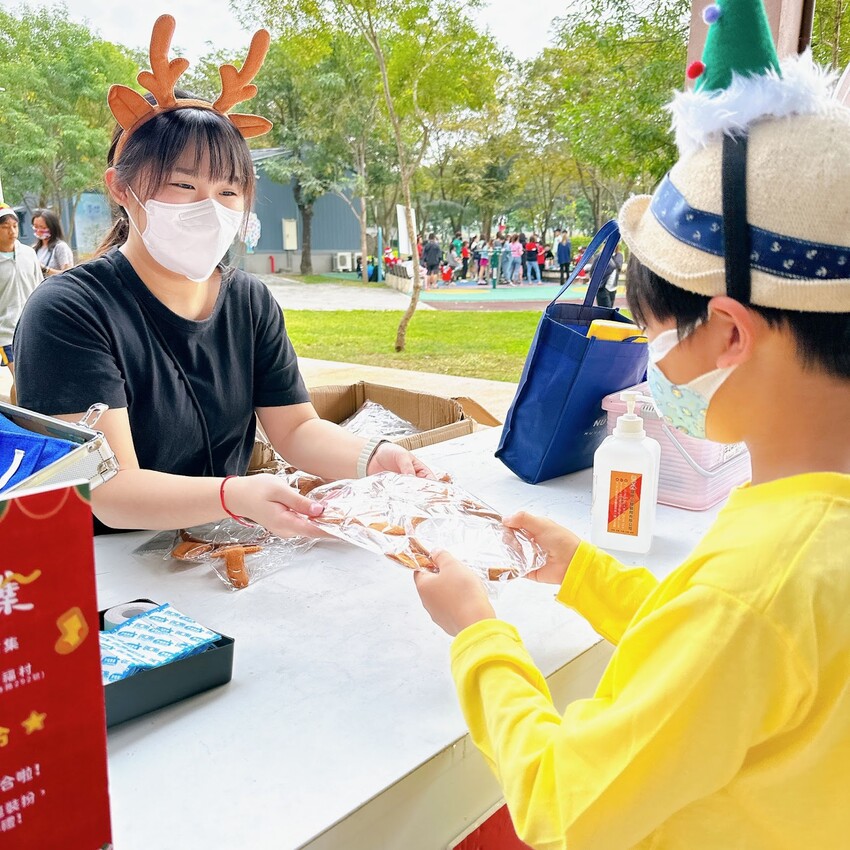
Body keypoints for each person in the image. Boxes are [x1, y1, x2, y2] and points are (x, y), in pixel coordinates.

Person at [412, 5, 850, 848]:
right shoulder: (803, 540)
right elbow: (736, 663)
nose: (654, 359)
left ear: (729, 332)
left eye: (659, 331)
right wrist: (582, 572)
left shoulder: (754, 587)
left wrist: (479, 636)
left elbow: (564, 805)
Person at [13, 16, 431, 538]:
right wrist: (236, 496)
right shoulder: (69, 311)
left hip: (216, 541)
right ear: (120, 188)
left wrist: (377, 456)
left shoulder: (248, 301)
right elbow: (110, 493)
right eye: (183, 185)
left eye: (229, 191)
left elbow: (297, 428)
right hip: (108, 570)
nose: (209, 208)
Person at [0, 203, 42, 402]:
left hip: (31, 325)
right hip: (6, 331)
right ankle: (20, 421)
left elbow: (38, 285)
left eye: (14, 226)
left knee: (30, 378)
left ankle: (20, 416)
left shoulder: (28, 254)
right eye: (5, 227)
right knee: (20, 377)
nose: (12, 231)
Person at [31, 209, 74, 277]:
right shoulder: (33, 248)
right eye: (36, 226)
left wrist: (45, 269)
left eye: (42, 227)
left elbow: (68, 274)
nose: (38, 230)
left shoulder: (60, 247)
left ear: (52, 227)